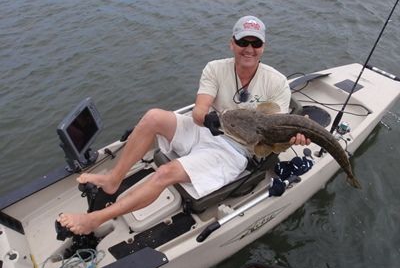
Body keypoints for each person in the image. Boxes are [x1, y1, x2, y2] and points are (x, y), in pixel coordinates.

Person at [58, 16, 310, 235]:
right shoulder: (215, 68)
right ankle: (113, 179)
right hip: (208, 129)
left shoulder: (276, 82)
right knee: (153, 116)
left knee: (164, 174)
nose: (249, 48)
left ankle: (94, 220)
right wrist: (209, 118)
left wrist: (293, 139)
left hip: (235, 151)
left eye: (255, 43)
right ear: (232, 43)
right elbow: (200, 110)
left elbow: (276, 135)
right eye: (243, 41)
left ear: (263, 47)